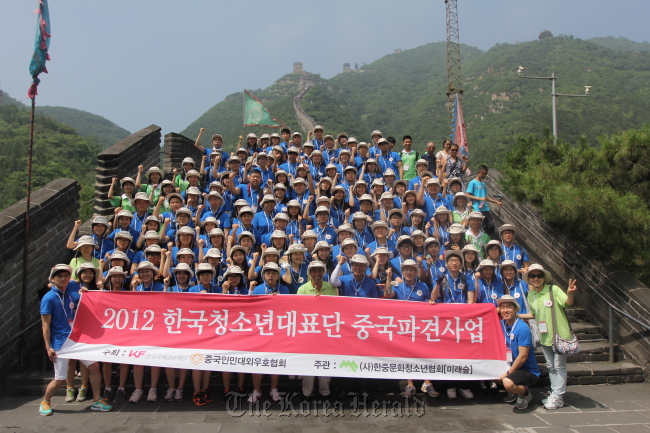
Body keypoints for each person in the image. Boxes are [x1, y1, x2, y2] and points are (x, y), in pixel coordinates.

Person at [39, 265, 112, 416]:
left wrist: (83, 291)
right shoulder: (49, 298)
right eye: (59, 276)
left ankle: (96, 401)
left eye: (66, 275)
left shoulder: (71, 286)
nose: (64, 278)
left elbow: (78, 286)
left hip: (78, 339)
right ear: (52, 279)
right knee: (60, 379)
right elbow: (45, 325)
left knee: (94, 366)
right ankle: (45, 401)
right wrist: (48, 347)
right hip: (61, 342)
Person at [520, 264, 578, 410]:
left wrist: (570, 293)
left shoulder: (553, 290)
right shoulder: (531, 295)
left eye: (539, 275)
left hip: (559, 335)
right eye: (533, 276)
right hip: (545, 335)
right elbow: (534, 314)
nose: (536, 278)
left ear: (544, 277)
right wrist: (518, 315)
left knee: (559, 366)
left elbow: (567, 303)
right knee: (551, 367)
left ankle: (558, 395)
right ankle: (554, 393)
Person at [297, 261, 338, 400]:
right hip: (309, 332)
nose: (317, 274)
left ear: (324, 272)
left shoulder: (331, 288)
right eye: (314, 271)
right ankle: (307, 393)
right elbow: (299, 311)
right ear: (309, 273)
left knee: (324, 363)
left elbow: (336, 309)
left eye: (320, 271)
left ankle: (324, 391)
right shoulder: (302, 289)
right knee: (309, 364)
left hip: (326, 332)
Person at [465, 165, 504, 236]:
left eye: (486, 174)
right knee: (479, 225)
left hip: (485, 208)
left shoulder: (483, 184)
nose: (484, 175)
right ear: (478, 172)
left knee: (491, 224)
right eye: (483, 174)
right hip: (477, 207)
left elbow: (485, 197)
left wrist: (496, 202)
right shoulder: (472, 183)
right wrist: (479, 198)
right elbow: (467, 194)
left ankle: (488, 238)